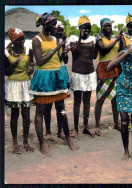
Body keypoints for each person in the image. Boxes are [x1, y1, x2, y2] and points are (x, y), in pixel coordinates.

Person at [30, 13, 78, 155]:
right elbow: (39, 61)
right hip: (43, 78)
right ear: (45, 25)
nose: (55, 26)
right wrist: (58, 48)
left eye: (56, 24)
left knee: (61, 109)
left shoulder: (55, 39)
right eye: (52, 24)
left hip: (56, 76)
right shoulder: (36, 40)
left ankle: (68, 138)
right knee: (40, 111)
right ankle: (42, 144)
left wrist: (64, 50)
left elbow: (59, 59)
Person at [65, 16, 98, 137]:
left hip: (89, 73)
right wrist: (80, 37)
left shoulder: (93, 39)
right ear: (79, 28)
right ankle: (75, 129)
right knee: (77, 102)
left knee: (87, 101)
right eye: (84, 28)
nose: (87, 30)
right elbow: (76, 52)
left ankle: (85, 127)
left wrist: (95, 46)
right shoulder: (73, 39)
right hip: (77, 74)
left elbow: (94, 57)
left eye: (88, 28)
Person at [5, 28, 34, 154]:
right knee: (15, 115)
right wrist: (14, 63)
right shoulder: (7, 53)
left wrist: (31, 68)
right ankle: (15, 142)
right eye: (18, 39)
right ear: (13, 40)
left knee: (26, 116)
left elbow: (32, 63)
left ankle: (26, 141)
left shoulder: (28, 50)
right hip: (13, 85)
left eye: (22, 38)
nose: (21, 41)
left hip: (26, 84)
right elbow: (5, 72)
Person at [94, 18, 124, 136]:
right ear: (101, 26)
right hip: (104, 69)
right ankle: (97, 126)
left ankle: (116, 124)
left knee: (115, 98)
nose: (108, 27)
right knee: (100, 98)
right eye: (105, 25)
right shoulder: (98, 37)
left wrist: (120, 39)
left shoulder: (115, 37)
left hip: (115, 68)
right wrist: (117, 39)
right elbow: (104, 49)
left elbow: (121, 50)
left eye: (109, 25)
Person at [43, 20, 69, 141]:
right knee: (48, 105)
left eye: (61, 31)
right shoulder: (50, 42)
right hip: (51, 73)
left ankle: (60, 131)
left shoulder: (62, 42)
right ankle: (48, 132)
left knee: (60, 104)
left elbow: (65, 60)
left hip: (61, 72)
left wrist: (64, 48)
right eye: (58, 30)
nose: (59, 33)